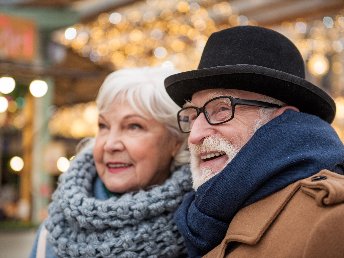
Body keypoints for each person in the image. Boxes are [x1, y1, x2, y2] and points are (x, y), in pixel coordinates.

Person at [164, 25, 344, 257]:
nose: (196, 135)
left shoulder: (332, 221)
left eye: (221, 109)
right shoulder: (197, 222)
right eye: (192, 115)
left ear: (280, 121)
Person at [30, 66, 192, 258]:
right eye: (103, 126)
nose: (110, 144)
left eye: (134, 126)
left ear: (176, 142)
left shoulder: (202, 226)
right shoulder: (54, 230)